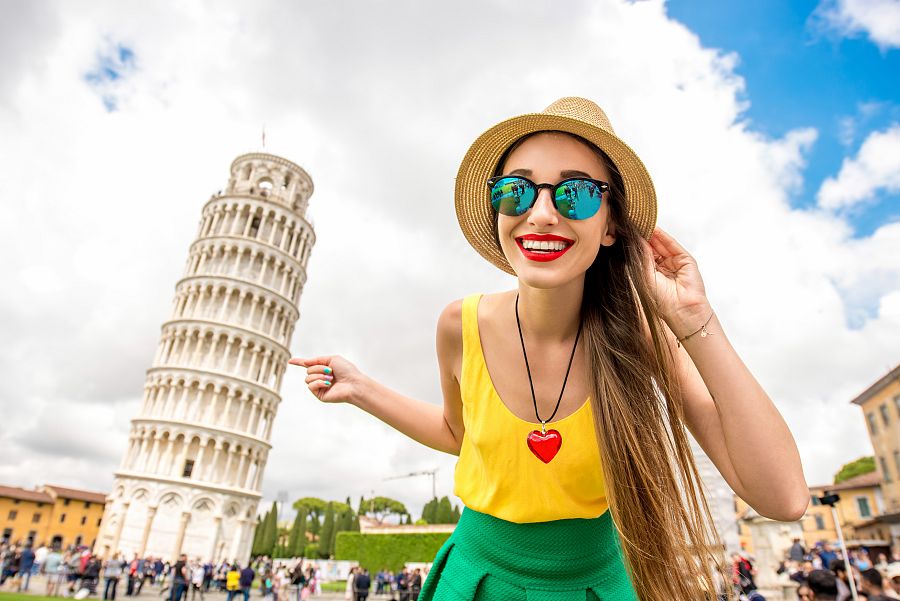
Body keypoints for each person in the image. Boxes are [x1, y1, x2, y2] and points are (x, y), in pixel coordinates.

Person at [291, 96, 808, 599]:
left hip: (597, 585)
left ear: (610, 225)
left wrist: (693, 317)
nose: (539, 213)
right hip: (473, 581)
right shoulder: (458, 324)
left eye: (575, 193)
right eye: (516, 191)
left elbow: (782, 498)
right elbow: (458, 434)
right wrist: (362, 389)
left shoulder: (640, 339)